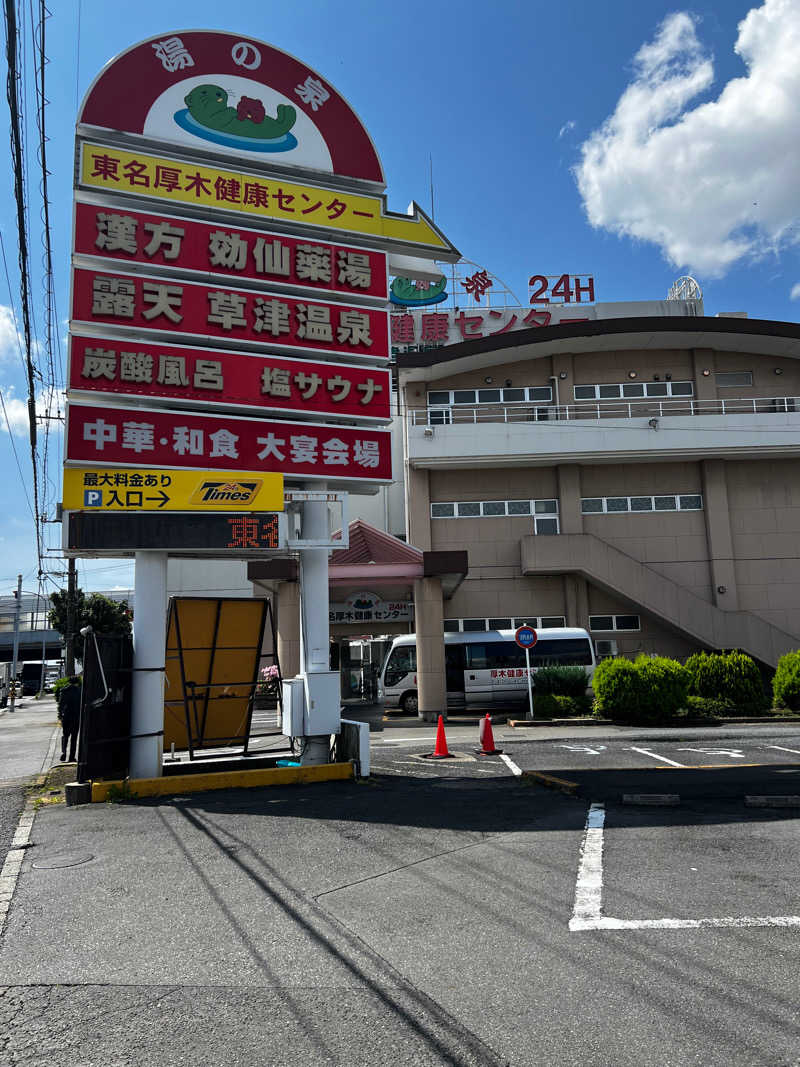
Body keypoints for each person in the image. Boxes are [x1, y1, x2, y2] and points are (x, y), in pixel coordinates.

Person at [58, 676, 82, 763]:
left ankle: (64, 752)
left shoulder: (64, 690)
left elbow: (60, 704)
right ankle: (72, 757)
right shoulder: (80, 691)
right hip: (76, 717)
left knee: (65, 735)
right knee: (74, 738)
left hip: (66, 716)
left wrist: (60, 715)